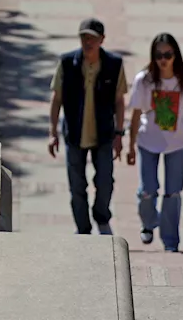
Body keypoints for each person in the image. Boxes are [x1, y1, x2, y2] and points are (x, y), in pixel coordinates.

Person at [48, 18, 128, 235]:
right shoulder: (67, 63)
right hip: (74, 134)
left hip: (103, 134)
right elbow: (57, 99)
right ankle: (83, 228)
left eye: (92, 38)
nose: (88, 42)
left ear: (102, 40)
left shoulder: (114, 65)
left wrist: (120, 133)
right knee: (76, 186)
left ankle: (101, 216)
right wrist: (52, 132)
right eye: (84, 37)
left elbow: (120, 101)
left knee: (105, 182)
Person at [126, 33, 183, 253]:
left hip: (176, 144)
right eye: (159, 55)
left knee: (173, 193)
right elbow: (135, 113)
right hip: (147, 142)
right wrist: (130, 146)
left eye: (168, 54)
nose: (163, 59)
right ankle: (149, 223)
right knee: (147, 191)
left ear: (175, 55)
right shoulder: (144, 80)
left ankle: (171, 241)